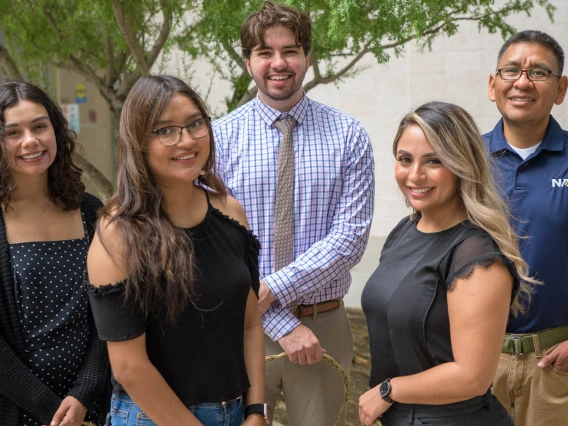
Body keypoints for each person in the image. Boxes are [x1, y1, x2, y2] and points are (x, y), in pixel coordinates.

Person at [212, 2, 375, 425]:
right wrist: (280, 321)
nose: (279, 63)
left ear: (307, 56)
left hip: (323, 325)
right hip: (240, 325)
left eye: (291, 50)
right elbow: (215, 241)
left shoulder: (348, 135)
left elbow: (350, 239)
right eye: (265, 52)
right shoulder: (219, 139)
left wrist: (271, 293)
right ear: (248, 61)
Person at [86, 75, 265, 426]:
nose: (186, 141)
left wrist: (256, 411)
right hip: (151, 416)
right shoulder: (117, 231)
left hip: (236, 412)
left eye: (195, 124)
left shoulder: (230, 211)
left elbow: (250, 323)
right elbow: (129, 366)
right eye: (165, 130)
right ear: (138, 141)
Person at [359, 101, 537, 426]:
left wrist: (388, 390)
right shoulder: (404, 230)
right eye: (404, 160)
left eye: (433, 161)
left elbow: (472, 377)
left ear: (461, 165)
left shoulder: (477, 254)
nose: (415, 175)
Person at [0, 81, 109, 426]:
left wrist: (84, 394)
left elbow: (113, 311)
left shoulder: (91, 212)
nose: (29, 141)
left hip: (94, 408)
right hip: (17, 412)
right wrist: (50, 410)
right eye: (12, 132)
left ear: (57, 132)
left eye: (39, 126)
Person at [484, 30, 568, 425]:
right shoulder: (463, 161)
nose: (522, 82)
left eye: (538, 72)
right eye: (512, 70)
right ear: (493, 84)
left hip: (556, 366)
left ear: (560, 89)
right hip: (474, 359)